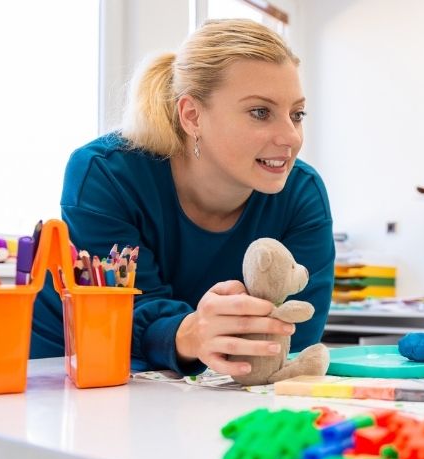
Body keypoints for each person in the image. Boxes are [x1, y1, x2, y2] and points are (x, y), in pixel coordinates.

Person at [31, 19, 335, 377]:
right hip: (64, 364)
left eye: (297, 114)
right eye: (260, 112)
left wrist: (213, 340)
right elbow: (120, 314)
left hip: (190, 382)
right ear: (192, 116)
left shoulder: (302, 194)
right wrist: (189, 333)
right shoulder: (106, 174)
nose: (291, 137)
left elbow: (292, 339)